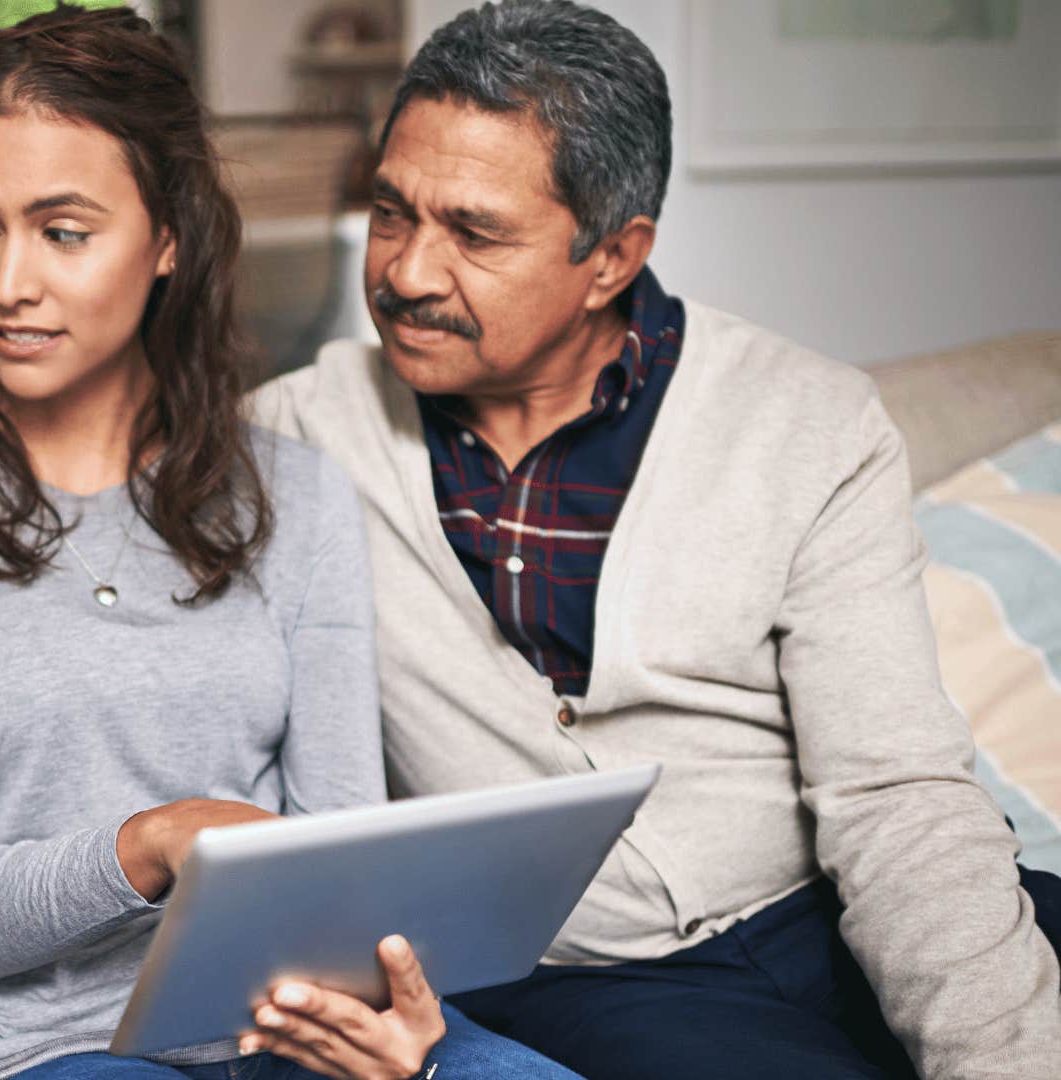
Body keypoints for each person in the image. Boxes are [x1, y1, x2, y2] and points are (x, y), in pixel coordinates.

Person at [249, 1, 1061, 1077]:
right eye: (393, 213)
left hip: (833, 900)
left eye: (474, 233)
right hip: (596, 983)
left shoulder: (811, 422)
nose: (404, 273)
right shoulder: (294, 437)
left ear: (612, 256)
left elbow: (892, 794)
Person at [0, 7, 578, 1080]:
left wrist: (400, 1038)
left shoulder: (296, 496)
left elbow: (341, 857)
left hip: (299, 1027)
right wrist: (153, 842)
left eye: (63, 232)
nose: (8, 283)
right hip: (45, 1053)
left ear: (167, 240)